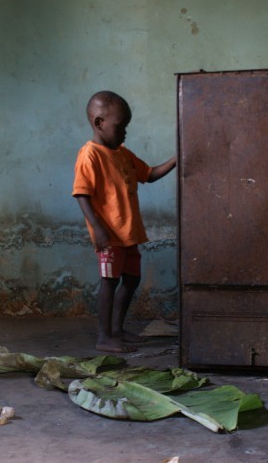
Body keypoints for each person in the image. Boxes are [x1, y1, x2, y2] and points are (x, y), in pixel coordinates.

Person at [72, 91, 176, 353]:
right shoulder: (90, 154)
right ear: (99, 123)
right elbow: (82, 193)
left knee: (131, 279)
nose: (125, 133)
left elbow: (149, 174)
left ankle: (118, 330)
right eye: (121, 126)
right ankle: (104, 337)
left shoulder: (123, 154)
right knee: (109, 282)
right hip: (109, 235)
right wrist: (97, 228)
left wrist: (178, 158)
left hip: (129, 234)